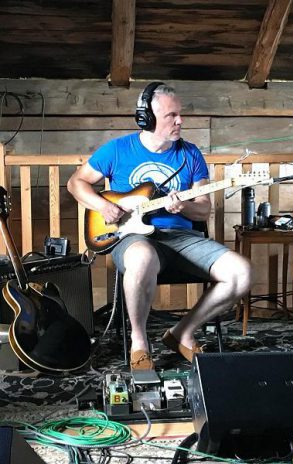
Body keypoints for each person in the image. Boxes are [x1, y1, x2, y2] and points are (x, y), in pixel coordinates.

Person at [68, 82, 251, 370]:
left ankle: (182, 333)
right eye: (171, 115)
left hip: (182, 237)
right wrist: (103, 206)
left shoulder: (190, 154)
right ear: (147, 118)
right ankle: (140, 343)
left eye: (180, 114)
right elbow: (76, 183)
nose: (180, 121)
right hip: (133, 239)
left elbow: (204, 209)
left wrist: (185, 206)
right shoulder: (117, 150)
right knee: (142, 257)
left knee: (241, 273)